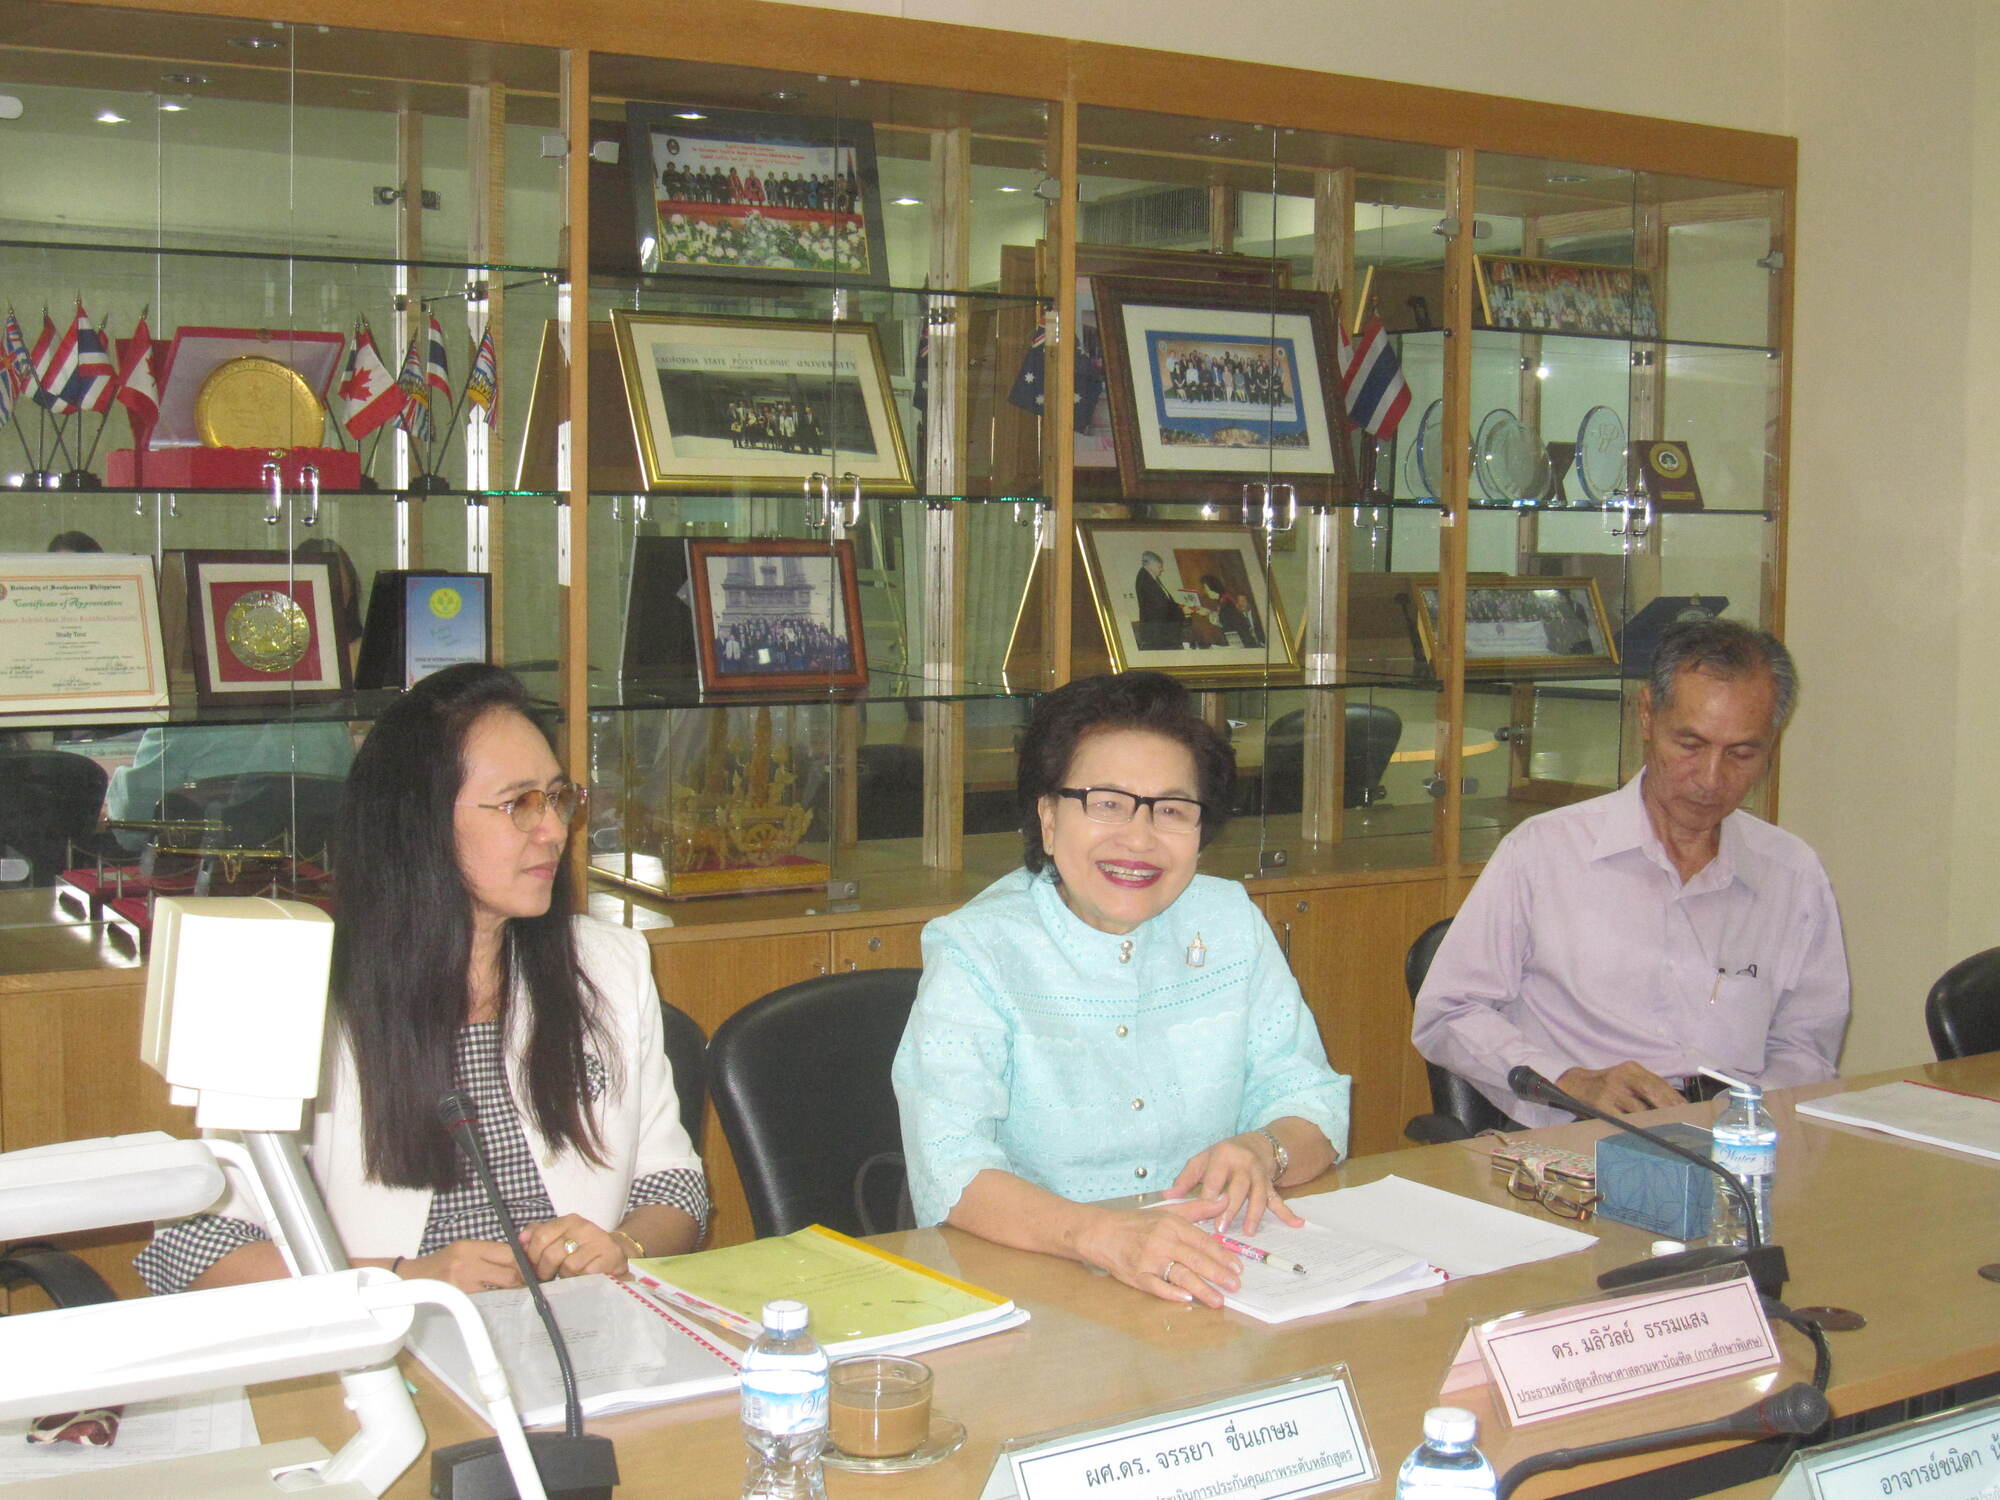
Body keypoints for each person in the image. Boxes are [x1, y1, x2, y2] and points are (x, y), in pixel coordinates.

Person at [136, 663, 706, 1295]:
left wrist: (622, 1247)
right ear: (422, 823)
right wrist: (405, 1280)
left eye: (557, 797)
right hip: (385, 1339)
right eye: (519, 804)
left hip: (574, 1328)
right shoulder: (299, 993)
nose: (554, 830)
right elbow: (197, 1247)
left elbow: (672, 1184)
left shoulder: (608, 964)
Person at [892, 671, 1350, 1308]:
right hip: (1037, 1284)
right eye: (1106, 803)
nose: (1139, 838)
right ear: (1048, 818)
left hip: (1221, 1273)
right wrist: (1100, 1236)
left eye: (1171, 810)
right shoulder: (978, 949)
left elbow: (1310, 1097)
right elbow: (949, 1163)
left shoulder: (1229, 921)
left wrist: (1263, 1149)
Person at [1412, 619, 1849, 1129]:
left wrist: (1738, 1121)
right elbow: (1449, 1013)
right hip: (1579, 1134)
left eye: (1741, 754)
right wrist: (1571, 1081)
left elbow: (1806, 1046)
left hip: (1736, 1136)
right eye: (1690, 745)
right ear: (1646, 715)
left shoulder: (1791, 873)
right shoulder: (1543, 852)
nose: (1711, 779)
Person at [1132, 551, 1185, 651]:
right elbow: (1160, 606)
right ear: (1149, 565)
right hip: (1156, 631)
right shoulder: (1145, 580)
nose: (1162, 569)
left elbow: (1165, 599)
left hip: (1161, 629)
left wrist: (1180, 607)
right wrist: (1181, 610)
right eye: (1159, 567)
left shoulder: (1151, 577)